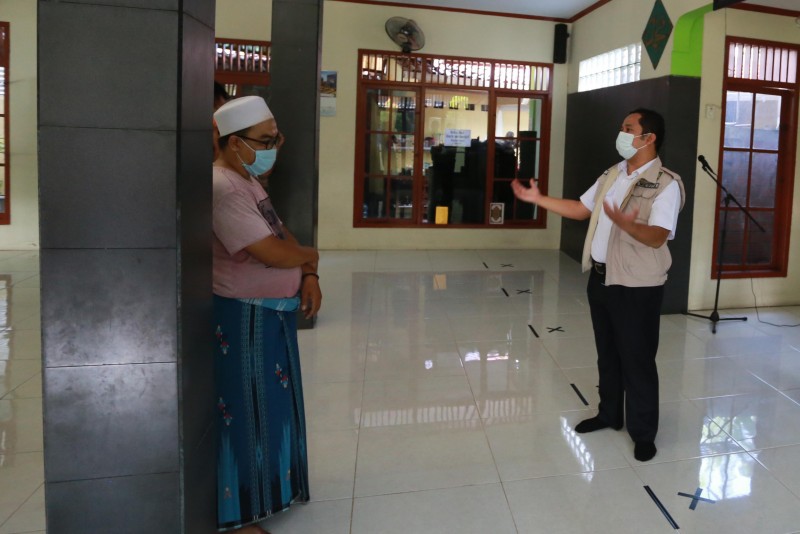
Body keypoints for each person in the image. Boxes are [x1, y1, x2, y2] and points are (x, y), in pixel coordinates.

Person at [511, 108, 684, 462]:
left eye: (628, 128)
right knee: (608, 353)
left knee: (637, 359)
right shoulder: (613, 173)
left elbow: (657, 236)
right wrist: (537, 199)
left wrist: (628, 224)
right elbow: (580, 208)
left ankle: (643, 433)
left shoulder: (666, 183)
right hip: (602, 278)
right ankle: (609, 414)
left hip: (637, 286)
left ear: (648, 138)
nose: (621, 133)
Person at [212, 95, 321, 533]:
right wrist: (310, 256)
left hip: (271, 315)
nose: (273, 148)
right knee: (248, 411)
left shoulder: (249, 181)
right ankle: (242, 517)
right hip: (245, 318)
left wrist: (309, 272)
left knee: (274, 407)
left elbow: (281, 233)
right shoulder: (222, 188)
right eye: (265, 140)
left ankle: (276, 490)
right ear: (233, 142)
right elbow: (271, 252)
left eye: (276, 139)